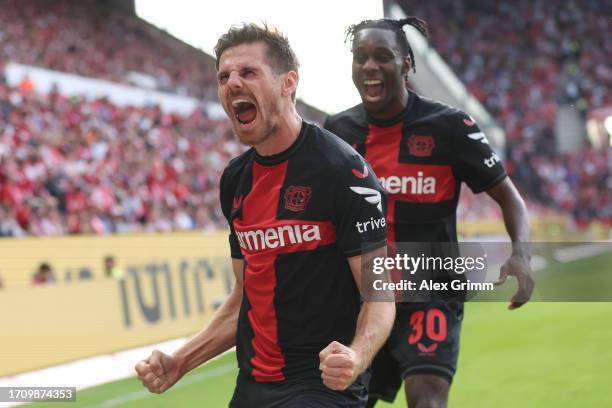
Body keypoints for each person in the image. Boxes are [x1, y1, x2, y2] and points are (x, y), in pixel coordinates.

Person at [135, 23, 395, 407]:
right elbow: (244, 299)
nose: (232, 83)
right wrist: (180, 361)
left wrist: (356, 357)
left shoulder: (344, 171)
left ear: (288, 82)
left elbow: (379, 294)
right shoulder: (235, 181)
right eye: (224, 76)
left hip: (321, 387)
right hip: (253, 385)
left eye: (248, 72)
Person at [324, 17, 534, 408]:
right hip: (364, 298)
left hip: (432, 291)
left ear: (407, 64)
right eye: (360, 57)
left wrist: (521, 254)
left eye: (383, 57)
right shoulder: (337, 131)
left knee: (427, 400)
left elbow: (509, 197)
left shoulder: (450, 126)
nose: (369, 66)